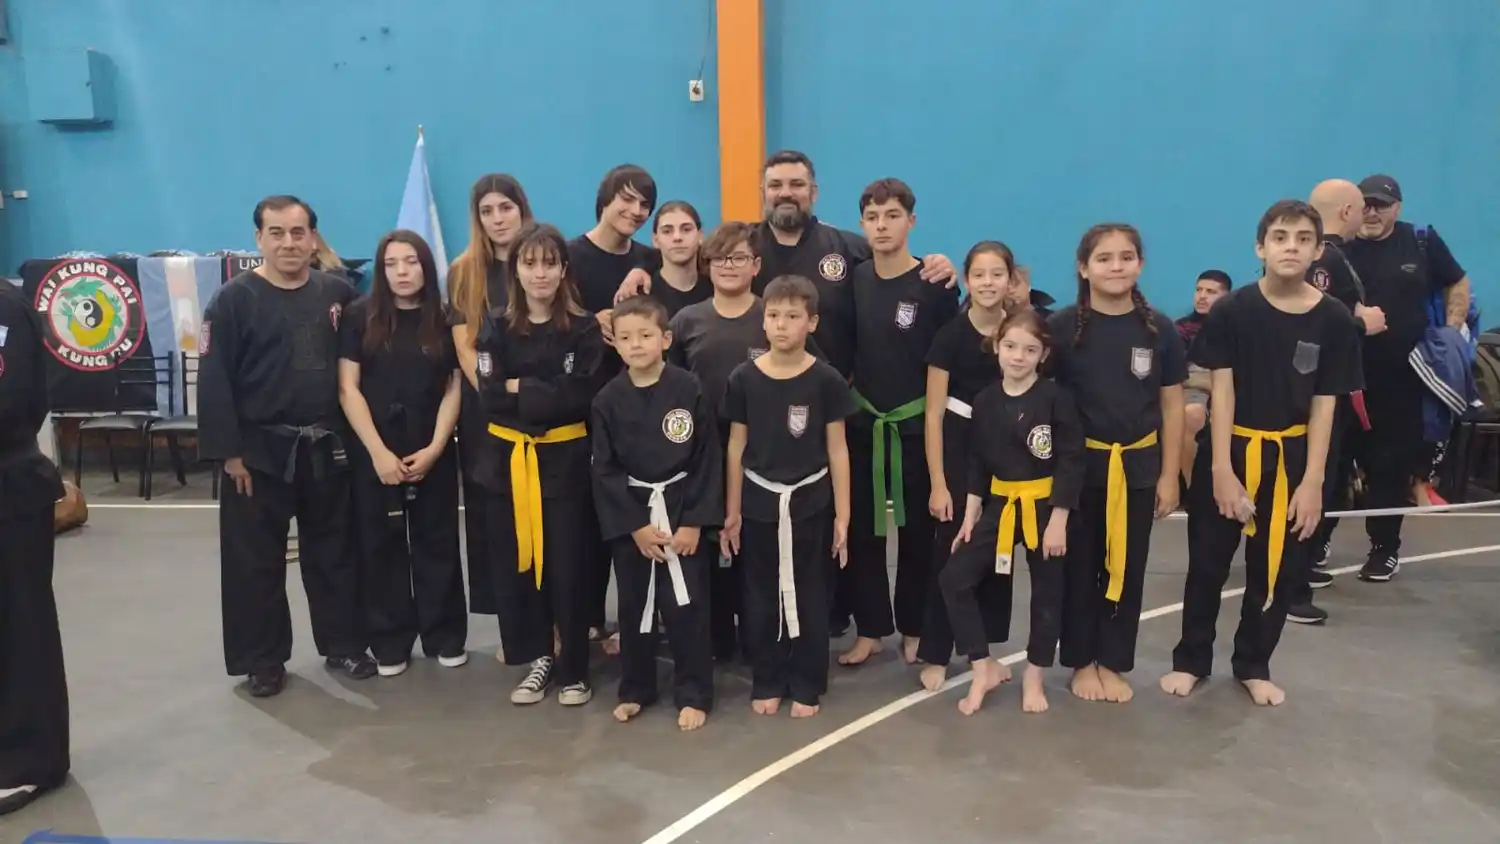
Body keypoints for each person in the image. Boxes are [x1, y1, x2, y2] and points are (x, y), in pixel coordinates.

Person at [1160, 200, 1362, 706]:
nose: (1290, 247)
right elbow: (1220, 392)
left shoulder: (1334, 320)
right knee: (1207, 564)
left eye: (1301, 239)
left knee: (1276, 566)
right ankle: (1191, 659)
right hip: (1233, 448)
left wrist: (1313, 481)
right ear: (1261, 247)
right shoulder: (1234, 310)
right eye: (1279, 237)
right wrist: (1222, 470)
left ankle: (1254, 662)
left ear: (1318, 250)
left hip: (1293, 459)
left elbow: (1325, 405)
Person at [199, 195, 376, 697]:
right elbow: (214, 381)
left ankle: (344, 643)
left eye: (298, 233)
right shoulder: (232, 301)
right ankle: (263, 660)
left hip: (326, 446)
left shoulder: (338, 294)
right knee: (254, 562)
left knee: (336, 554)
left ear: (314, 238)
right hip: (257, 452)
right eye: (276, 233)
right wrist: (230, 453)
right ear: (258, 239)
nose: (288, 243)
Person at [616, 150, 958, 376]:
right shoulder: (738, 244)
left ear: (814, 192)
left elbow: (895, 267)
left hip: (834, 400)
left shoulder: (848, 247)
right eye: (775, 185)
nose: (786, 193)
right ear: (763, 192)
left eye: (797, 184)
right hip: (754, 397)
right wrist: (640, 265)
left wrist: (935, 263)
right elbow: (684, 254)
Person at [667, 221, 820, 662]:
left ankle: (764, 641)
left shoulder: (772, 317)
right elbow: (670, 387)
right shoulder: (686, 321)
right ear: (706, 265)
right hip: (702, 455)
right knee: (712, 549)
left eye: (738, 257)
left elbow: (810, 378)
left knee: (757, 554)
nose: (728, 266)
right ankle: (716, 640)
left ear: (756, 265)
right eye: (718, 258)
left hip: (764, 460)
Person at [1046, 223, 1186, 704]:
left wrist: (1169, 475)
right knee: (1081, 568)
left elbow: (1172, 405)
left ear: (1140, 265)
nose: (1116, 266)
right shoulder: (1062, 329)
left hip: (1138, 466)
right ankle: (1082, 661)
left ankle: (1113, 660)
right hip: (1079, 469)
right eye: (1103, 258)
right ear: (1084, 268)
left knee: (1128, 566)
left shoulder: (1158, 329)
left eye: (1126, 257)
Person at [474, 222, 607, 706]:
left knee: (567, 567)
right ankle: (538, 659)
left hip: (565, 463)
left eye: (549, 263)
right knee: (520, 569)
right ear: (516, 270)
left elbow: (580, 397)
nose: (540, 273)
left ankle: (574, 668)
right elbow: (488, 397)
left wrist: (520, 388)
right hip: (509, 464)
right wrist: (540, 391)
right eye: (530, 263)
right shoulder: (496, 325)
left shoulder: (585, 327)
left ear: (564, 269)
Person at [839, 178, 961, 668]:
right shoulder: (855, 281)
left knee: (916, 536)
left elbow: (949, 358)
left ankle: (914, 627)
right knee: (864, 535)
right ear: (862, 224)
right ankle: (870, 629)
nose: (882, 225)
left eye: (892, 215)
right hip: (864, 424)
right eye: (873, 216)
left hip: (915, 428)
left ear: (911, 221)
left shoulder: (934, 285)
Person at [722, 275, 854, 718]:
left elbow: (837, 448)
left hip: (810, 501)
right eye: (774, 316)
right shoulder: (743, 379)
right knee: (760, 595)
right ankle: (768, 678)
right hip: (759, 501)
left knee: (811, 592)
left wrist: (844, 512)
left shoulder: (827, 380)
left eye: (793, 316)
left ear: (811, 323)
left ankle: (808, 682)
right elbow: (736, 446)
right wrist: (733, 509)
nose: (781, 325)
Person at [338, 230, 468, 676]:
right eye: (392, 264)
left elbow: (454, 388)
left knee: (438, 543)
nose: (402, 272)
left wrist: (435, 448)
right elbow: (348, 389)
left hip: (431, 446)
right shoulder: (359, 316)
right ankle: (390, 641)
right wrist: (377, 453)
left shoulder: (444, 317)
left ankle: (445, 635)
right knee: (381, 547)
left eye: (411, 262)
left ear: (426, 267)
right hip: (375, 449)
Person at [942, 308, 1083, 715]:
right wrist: (970, 516)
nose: (1018, 356)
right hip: (1001, 504)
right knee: (954, 577)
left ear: (1043, 354)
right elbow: (976, 463)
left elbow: (1071, 460)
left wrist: (1059, 519)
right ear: (996, 347)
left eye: (1029, 349)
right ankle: (982, 664)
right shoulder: (985, 401)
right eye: (1009, 346)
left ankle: (1035, 674)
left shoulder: (1056, 399)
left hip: (1044, 507)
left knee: (1047, 594)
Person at [591, 295, 722, 730]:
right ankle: (636, 688)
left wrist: (693, 522)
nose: (637, 345)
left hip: (682, 508)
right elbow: (605, 470)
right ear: (615, 345)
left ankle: (694, 691)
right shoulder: (607, 399)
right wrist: (636, 527)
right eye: (626, 338)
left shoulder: (688, 388)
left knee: (687, 606)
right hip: (635, 517)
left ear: (665, 338)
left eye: (646, 335)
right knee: (634, 606)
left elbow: (707, 457)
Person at [1342, 174, 1471, 582]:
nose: (1373, 211)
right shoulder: (1338, 246)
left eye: (1382, 204)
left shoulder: (1420, 241)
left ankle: (1384, 549)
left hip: (1402, 379)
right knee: (1334, 462)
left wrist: (1451, 328)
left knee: (1389, 467)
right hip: (1344, 376)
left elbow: (1457, 280)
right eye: (1366, 203)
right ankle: (1316, 543)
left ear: (1397, 208)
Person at [569, 164, 659, 646]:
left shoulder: (649, 257)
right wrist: (591, 321)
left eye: (644, 205)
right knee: (587, 522)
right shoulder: (568, 255)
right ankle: (583, 619)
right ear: (604, 198)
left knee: (636, 516)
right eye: (627, 199)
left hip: (639, 408)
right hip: (583, 404)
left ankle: (637, 622)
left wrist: (649, 266)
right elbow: (550, 318)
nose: (635, 211)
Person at [917, 241, 1012, 691]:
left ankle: (986, 652)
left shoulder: (1020, 334)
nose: (988, 283)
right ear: (967, 281)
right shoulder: (950, 337)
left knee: (997, 554)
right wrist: (938, 483)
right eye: (979, 274)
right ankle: (935, 652)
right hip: (957, 452)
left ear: (1010, 280)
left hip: (1007, 457)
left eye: (997, 274)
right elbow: (933, 413)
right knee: (948, 550)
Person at [1292, 179, 1387, 625]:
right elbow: (1312, 326)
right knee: (1313, 482)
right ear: (1348, 210)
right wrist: (1361, 322)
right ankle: (1290, 585)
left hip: (1328, 391)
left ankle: (1302, 565)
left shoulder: (1328, 257)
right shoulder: (1326, 259)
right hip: (1317, 395)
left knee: (1326, 481)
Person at [446, 174, 534, 635]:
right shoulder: (464, 271)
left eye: (506, 208)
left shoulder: (544, 259)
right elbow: (464, 348)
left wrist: (536, 400)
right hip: (490, 416)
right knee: (496, 524)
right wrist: (499, 399)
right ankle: (511, 626)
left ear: (522, 209)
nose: (498, 219)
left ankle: (556, 620)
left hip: (542, 411)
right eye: (487, 211)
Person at [0, 280, 70, 816]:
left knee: (19, 626)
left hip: (9, 488)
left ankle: (30, 762)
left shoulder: (5, 305)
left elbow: (20, 399)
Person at [1175, 270, 1232, 491]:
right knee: (1193, 413)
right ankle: (1194, 490)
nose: (1202, 296)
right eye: (1199, 290)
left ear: (1226, 296)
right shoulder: (1181, 328)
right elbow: (1175, 372)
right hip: (1194, 386)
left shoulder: (1236, 326)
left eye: (1210, 292)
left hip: (1231, 386)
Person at [647, 200, 712, 317]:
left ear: (700, 236)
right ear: (655, 240)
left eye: (686, 229)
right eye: (667, 231)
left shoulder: (716, 290)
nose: (677, 237)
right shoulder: (644, 293)